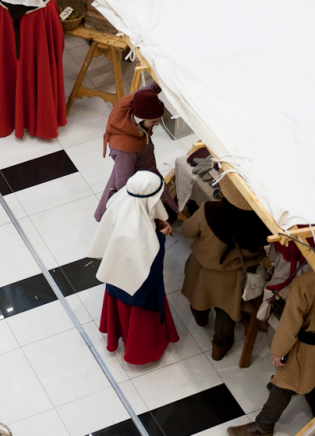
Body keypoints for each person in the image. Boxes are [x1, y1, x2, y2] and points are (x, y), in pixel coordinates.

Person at [89, 171, 179, 364]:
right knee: (142, 323)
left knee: (121, 310)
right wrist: (161, 236)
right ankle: (142, 352)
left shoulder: (118, 203)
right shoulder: (134, 229)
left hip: (116, 279)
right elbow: (148, 256)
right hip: (140, 289)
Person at [181, 174, 270, 360]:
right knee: (226, 312)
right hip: (234, 276)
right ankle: (219, 348)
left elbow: (187, 231)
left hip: (202, 268)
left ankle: (201, 317)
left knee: (198, 295)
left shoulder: (209, 210)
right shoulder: (262, 223)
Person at [0, 0, 66, 139]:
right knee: (37, 80)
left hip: (8, 57)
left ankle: (9, 118)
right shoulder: (45, 1)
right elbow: (57, 38)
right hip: (36, 61)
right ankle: (39, 124)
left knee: (9, 76)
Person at [227, 271, 315, 436]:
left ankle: (263, 427)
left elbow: (290, 325)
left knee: (284, 383)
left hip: (307, 348)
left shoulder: (305, 283)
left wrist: (279, 352)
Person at [95, 82, 178, 222]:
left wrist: (165, 78)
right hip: (140, 183)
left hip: (146, 169)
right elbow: (124, 185)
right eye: (153, 122)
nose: (157, 124)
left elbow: (149, 90)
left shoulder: (130, 103)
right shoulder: (125, 149)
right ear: (140, 119)